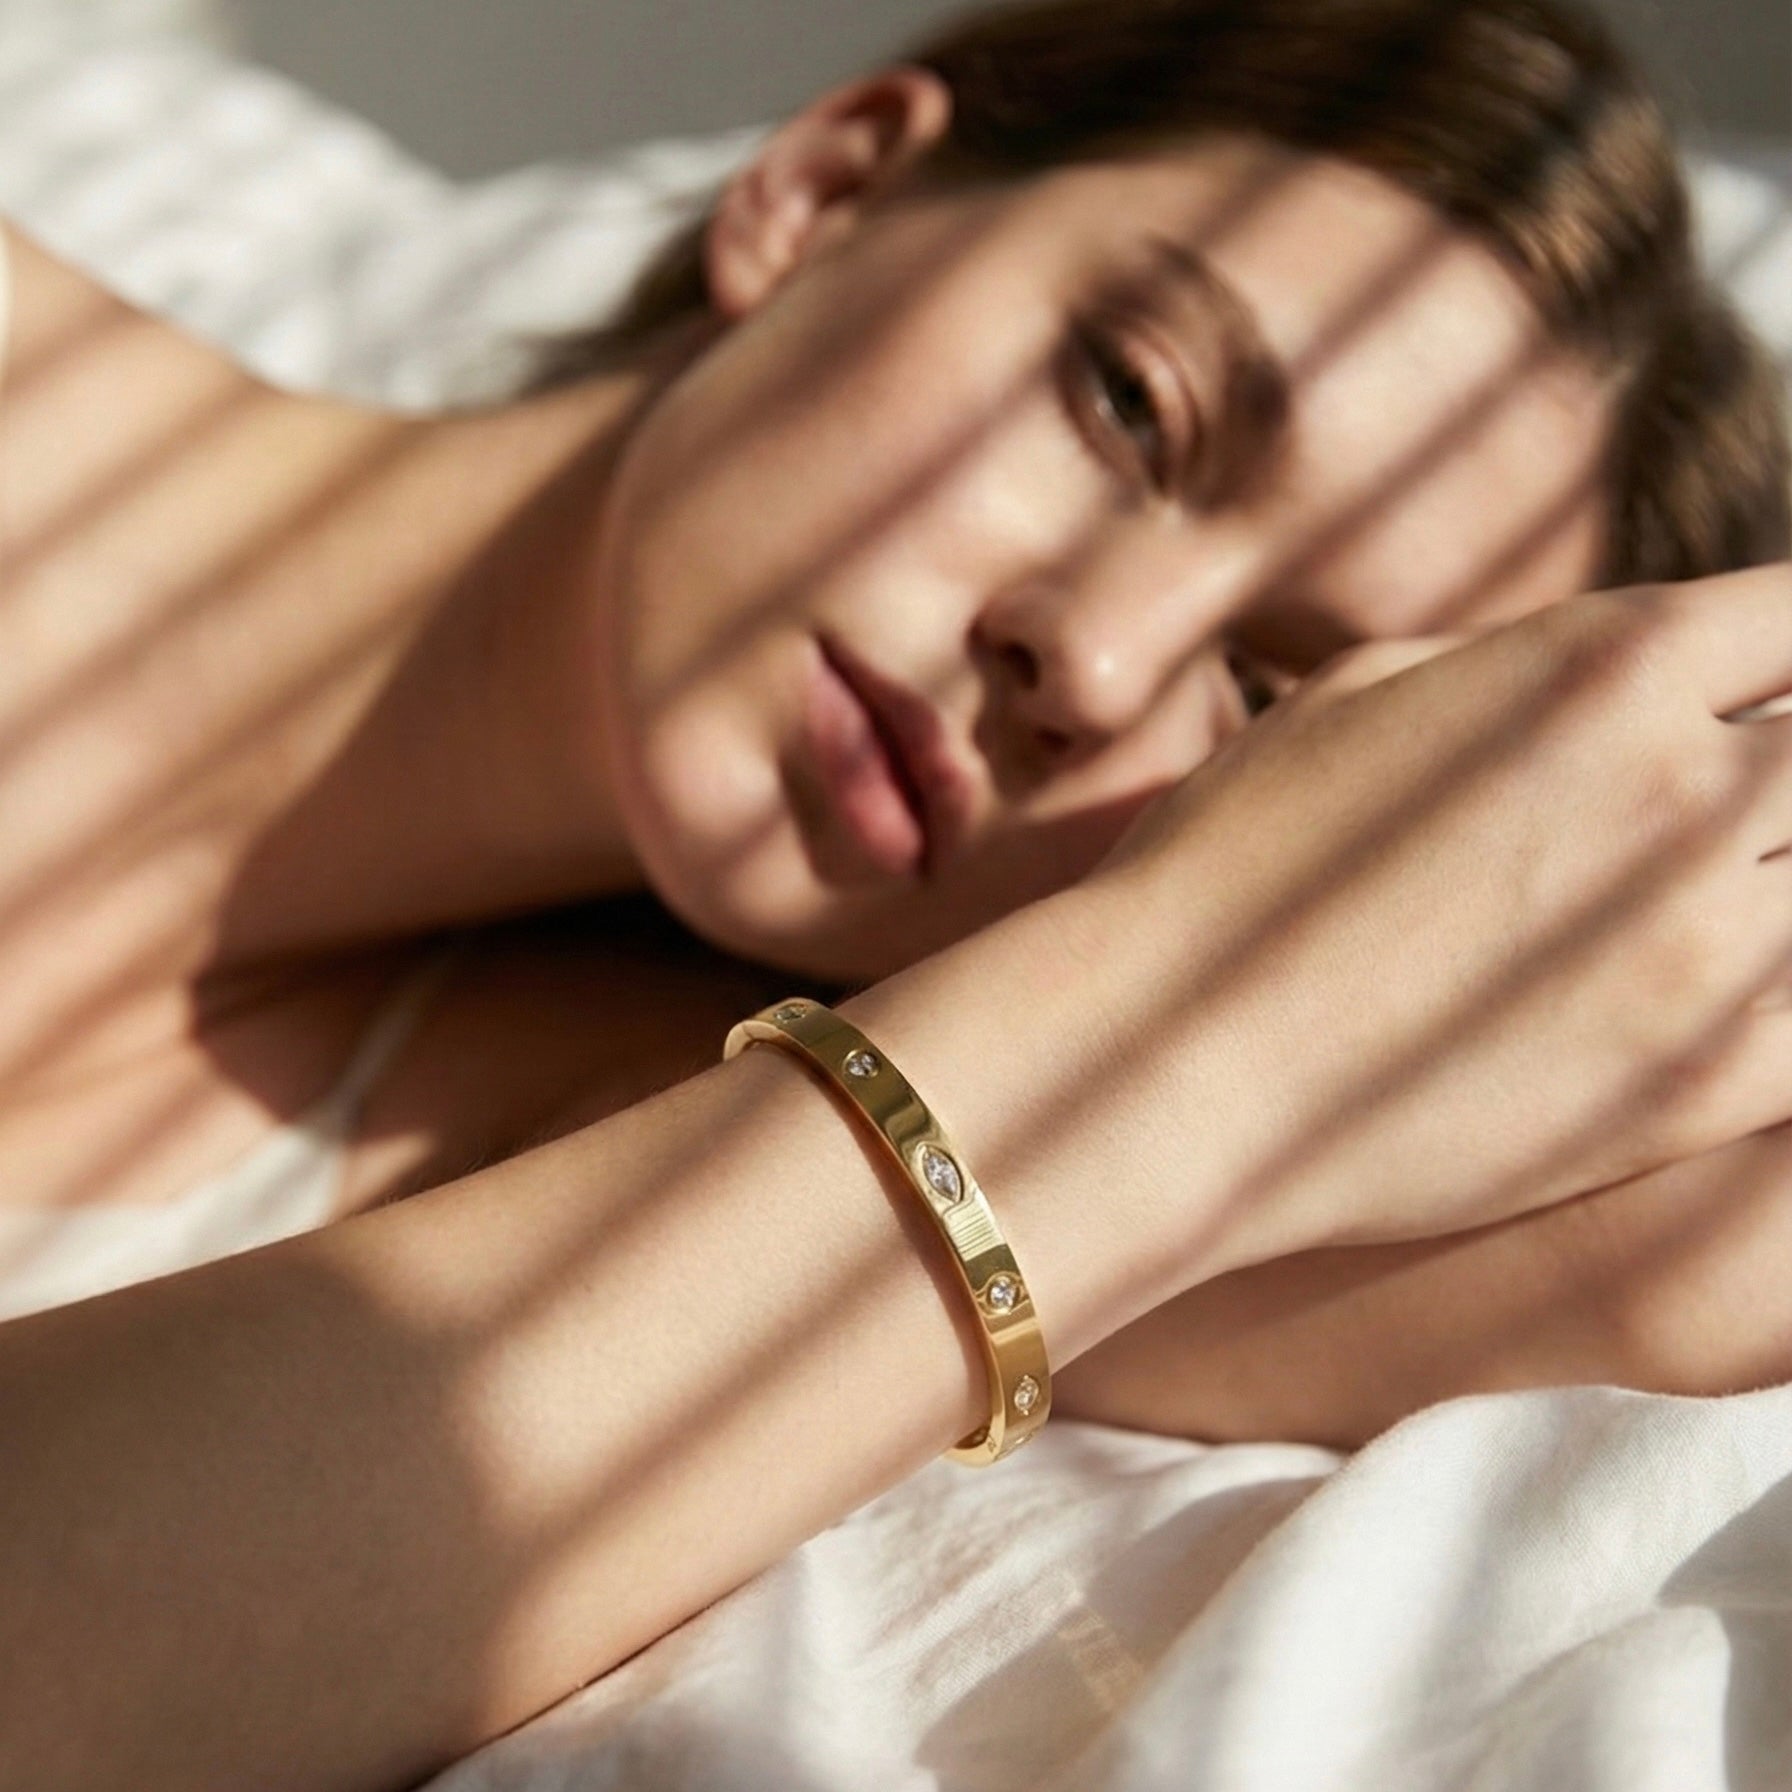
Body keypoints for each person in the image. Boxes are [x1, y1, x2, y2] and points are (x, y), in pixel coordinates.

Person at [0, 0, 1788, 1784]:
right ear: (826, 190)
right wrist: (1159, 1047)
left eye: (1265, 704)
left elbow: (1677, 1257)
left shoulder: (638, 1133)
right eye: (1133, 405)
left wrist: (1203, 1029)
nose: (1094, 661)